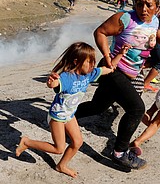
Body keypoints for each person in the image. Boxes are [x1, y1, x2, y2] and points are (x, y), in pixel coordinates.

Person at [72, 0, 160, 170]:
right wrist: (107, 57)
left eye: (148, 5)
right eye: (139, 4)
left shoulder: (154, 21)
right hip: (114, 71)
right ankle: (119, 152)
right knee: (136, 109)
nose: (143, 9)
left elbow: (156, 31)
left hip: (132, 74)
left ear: (157, 7)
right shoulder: (125, 18)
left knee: (98, 106)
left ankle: (66, 116)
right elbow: (100, 32)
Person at [16, 41, 119, 178]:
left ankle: (61, 166)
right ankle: (27, 142)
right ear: (77, 61)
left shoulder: (90, 74)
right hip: (57, 117)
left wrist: (121, 54)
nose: (92, 65)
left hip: (70, 116)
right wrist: (51, 82)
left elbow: (109, 68)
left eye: (93, 61)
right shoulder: (67, 77)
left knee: (77, 143)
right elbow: (55, 84)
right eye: (89, 62)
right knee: (58, 149)